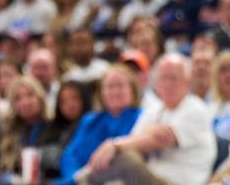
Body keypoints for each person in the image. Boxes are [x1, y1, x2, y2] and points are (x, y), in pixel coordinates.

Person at [82, 53, 216, 185]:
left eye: (174, 78)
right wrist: (147, 135)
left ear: (188, 81)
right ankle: (83, 178)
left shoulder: (195, 108)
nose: (168, 84)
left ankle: (83, 178)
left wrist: (114, 145)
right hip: (151, 176)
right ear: (157, 83)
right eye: (164, 78)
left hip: (177, 181)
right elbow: (135, 140)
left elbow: (157, 141)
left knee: (127, 159)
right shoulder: (155, 109)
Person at [58, 65, 141, 185]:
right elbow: (70, 156)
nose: (114, 91)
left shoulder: (142, 117)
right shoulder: (90, 120)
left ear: (132, 90)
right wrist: (76, 177)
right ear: (101, 93)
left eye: (120, 85)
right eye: (109, 86)